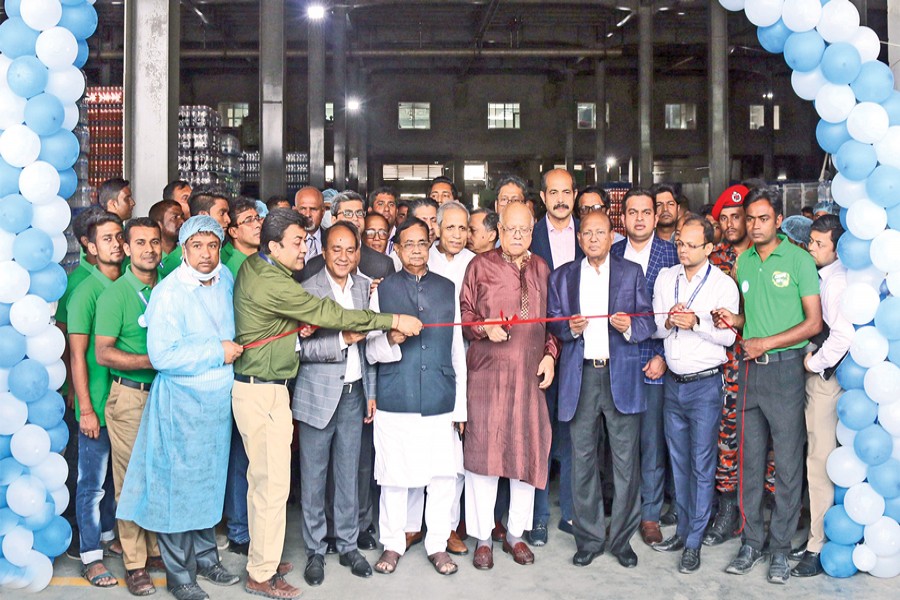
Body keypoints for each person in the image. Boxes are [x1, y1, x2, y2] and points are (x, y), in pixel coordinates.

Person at [232, 208, 423, 599]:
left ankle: (291, 554)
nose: (310, 249)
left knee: (330, 477)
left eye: (349, 249)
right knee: (286, 484)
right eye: (302, 243)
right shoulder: (293, 284)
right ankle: (275, 568)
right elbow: (326, 318)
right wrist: (390, 321)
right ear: (273, 246)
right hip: (279, 392)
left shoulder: (263, 267)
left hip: (333, 393)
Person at [117, 216, 242, 600]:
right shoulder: (170, 292)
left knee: (208, 482)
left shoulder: (225, 281)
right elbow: (161, 354)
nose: (206, 255)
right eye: (197, 247)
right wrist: (216, 352)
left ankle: (206, 558)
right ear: (183, 250)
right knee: (176, 488)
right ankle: (178, 574)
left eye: (212, 246)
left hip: (217, 402)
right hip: (182, 404)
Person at [713, 189, 822, 585]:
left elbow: (813, 323)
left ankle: (779, 550)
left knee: (789, 465)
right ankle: (752, 543)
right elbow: (752, 318)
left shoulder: (798, 260)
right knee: (750, 462)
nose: (755, 225)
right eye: (750, 219)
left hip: (785, 370)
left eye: (762, 218)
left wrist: (766, 343)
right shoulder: (743, 263)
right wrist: (735, 321)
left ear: (779, 220)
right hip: (750, 371)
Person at [546, 210, 655, 569]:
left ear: (612, 236)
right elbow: (556, 327)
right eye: (587, 233)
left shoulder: (630, 272)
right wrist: (571, 329)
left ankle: (622, 540)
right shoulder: (563, 277)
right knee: (582, 462)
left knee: (626, 464)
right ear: (580, 240)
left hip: (620, 376)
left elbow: (647, 324)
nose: (593, 239)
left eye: (600, 233)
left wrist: (627, 328)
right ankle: (590, 538)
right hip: (581, 378)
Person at [460, 202, 559, 570]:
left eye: (524, 230)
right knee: (484, 457)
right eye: (510, 229)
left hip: (529, 378)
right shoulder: (479, 266)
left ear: (532, 232)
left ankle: (516, 534)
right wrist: (485, 327)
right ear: (499, 229)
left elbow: (553, 323)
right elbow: (465, 316)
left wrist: (550, 354)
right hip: (487, 376)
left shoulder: (541, 268)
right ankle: (483, 537)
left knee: (525, 453)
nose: (517, 236)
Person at [366, 217, 467, 576]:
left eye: (422, 243)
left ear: (431, 244)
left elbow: (457, 349)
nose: (416, 250)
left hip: (441, 396)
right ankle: (393, 543)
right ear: (396, 248)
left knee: (441, 477)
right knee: (394, 475)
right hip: (397, 394)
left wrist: (461, 407)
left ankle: (436, 544)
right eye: (408, 244)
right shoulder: (383, 290)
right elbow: (370, 351)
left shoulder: (447, 287)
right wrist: (391, 339)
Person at [650, 215, 739, 574]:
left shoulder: (722, 285)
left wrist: (697, 324)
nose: (683, 250)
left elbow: (730, 337)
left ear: (709, 247)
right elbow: (655, 327)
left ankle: (693, 542)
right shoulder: (665, 278)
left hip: (705, 385)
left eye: (690, 244)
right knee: (679, 464)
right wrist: (669, 322)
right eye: (679, 244)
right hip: (674, 383)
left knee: (703, 466)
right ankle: (684, 529)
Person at [293, 222, 377, 587]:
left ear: (357, 252)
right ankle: (315, 549)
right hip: (315, 395)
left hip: (354, 393)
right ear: (323, 252)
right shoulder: (306, 291)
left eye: (349, 250)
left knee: (349, 473)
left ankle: (347, 543)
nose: (343, 256)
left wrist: (370, 391)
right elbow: (301, 350)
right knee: (313, 477)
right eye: (335, 249)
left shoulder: (363, 288)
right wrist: (341, 339)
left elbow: (369, 347)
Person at [94, 217, 167, 595]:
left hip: (166, 395)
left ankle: (154, 550)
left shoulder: (168, 286)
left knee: (159, 474)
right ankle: (135, 563)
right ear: (125, 248)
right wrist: (152, 360)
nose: (149, 250)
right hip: (131, 396)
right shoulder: (116, 294)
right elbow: (103, 353)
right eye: (140, 243)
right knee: (131, 481)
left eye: (154, 243)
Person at [610, 188, 678, 545]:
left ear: (656, 217)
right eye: (632, 212)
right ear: (622, 218)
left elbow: (678, 312)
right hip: (617, 361)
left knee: (652, 443)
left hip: (655, 362)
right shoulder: (610, 252)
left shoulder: (673, 254)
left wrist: (664, 357)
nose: (638, 218)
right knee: (620, 444)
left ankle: (650, 514)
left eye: (645, 212)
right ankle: (622, 512)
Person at [791, 215, 853, 578]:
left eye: (819, 244)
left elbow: (841, 336)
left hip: (826, 383)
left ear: (836, 247)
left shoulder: (835, 283)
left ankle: (817, 545)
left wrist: (815, 364)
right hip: (824, 381)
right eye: (810, 241)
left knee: (819, 462)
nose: (811, 248)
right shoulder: (826, 276)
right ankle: (814, 535)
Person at [67, 211, 125, 588]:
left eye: (119, 236)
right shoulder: (86, 288)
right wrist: (85, 408)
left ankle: (107, 536)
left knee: (114, 482)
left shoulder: (126, 282)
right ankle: (90, 556)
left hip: (122, 404)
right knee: (91, 484)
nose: (116, 244)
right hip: (96, 405)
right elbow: (76, 354)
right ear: (90, 246)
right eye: (106, 238)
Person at [527, 168, 582, 546]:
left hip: (581, 349)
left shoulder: (592, 234)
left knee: (577, 436)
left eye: (567, 192)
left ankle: (576, 513)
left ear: (574, 195)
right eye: (553, 193)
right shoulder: (527, 238)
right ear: (543, 198)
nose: (561, 199)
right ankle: (539, 516)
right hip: (539, 351)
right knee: (540, 436)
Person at [703, 184, 757, 546]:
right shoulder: (714, 259)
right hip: (726, 364)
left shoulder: (769, 255)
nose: (731, 222)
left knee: (763, 439)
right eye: (725, 217)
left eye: (737, 216)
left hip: (765, 360)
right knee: (726, 435)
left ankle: (760, 509)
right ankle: (726, 507)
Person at [423, 201, 476, 556]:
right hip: (425, 361)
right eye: (451, 228)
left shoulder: (477, 262)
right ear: (437, 229)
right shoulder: (420, 256)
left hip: (469, 358)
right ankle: (416, 527)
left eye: (463, 228)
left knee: (456, 453)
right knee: (421, 449)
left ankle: (450, 527)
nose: (457, 235)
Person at [302, 191, 396, 282]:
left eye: (359, 213)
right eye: (348, 213)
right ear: (334, 220)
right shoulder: (313, 266)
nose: (355, 218)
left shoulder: (383, 265)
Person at [188, 190, 233, 265]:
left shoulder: (229, 258)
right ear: (203, 215)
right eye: (222, 213)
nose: (228, 220)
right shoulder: (178, 259)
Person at [224, 198, 262, 278]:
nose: (258, 225)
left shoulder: (264, 256)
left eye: (257, 218)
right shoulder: (233, 266)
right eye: (248, 221)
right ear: (234, 232)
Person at [149, 199, 186, 279]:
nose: (182, 221)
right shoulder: (149, 257)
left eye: (182, 216)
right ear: (158, 225)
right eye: (175, 217)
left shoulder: (186, 253)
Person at [294, 186, 326, 260]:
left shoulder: (331, 239)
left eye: (313, 209)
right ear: (295, 211)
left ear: (323, 212)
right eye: (303, 209)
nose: (308, 214)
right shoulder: (287, 242)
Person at [368, 186, 399, 253]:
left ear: (396, 212)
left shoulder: (403, 238)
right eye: (381, 204)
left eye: (391, 204)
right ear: (370, 210)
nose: (386, 209)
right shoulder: (363, 238)